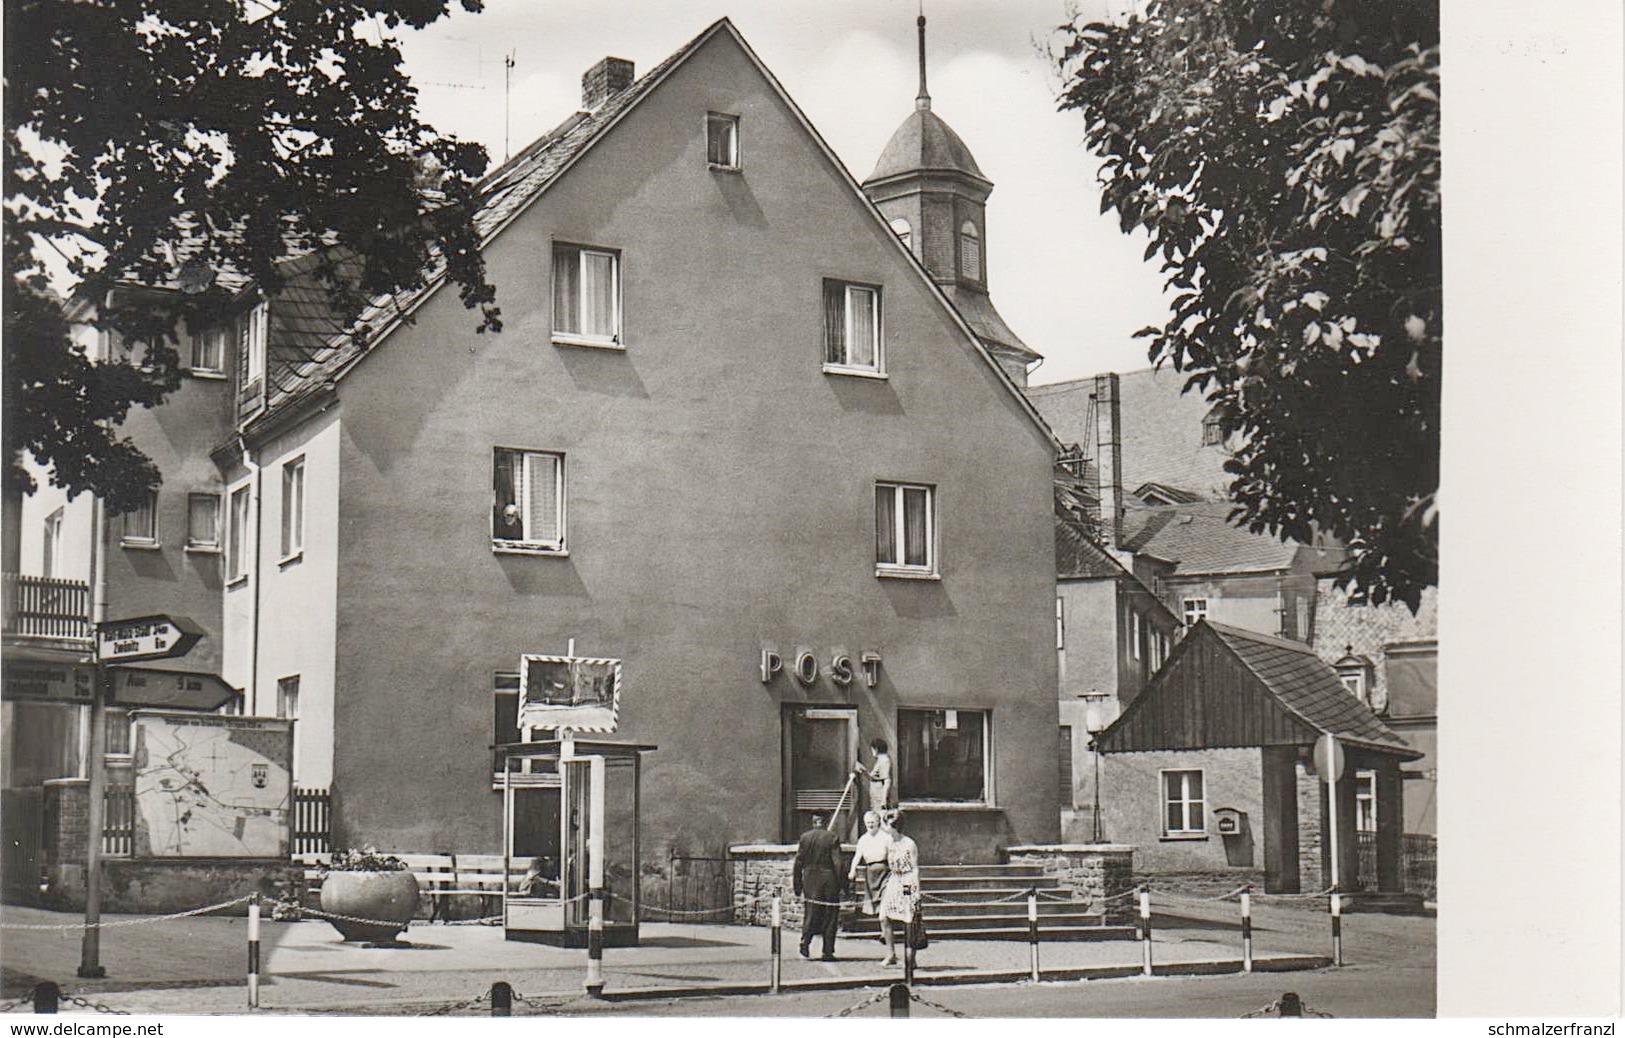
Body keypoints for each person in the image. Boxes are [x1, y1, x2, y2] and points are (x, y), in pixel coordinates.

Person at [792, 812, 843, 961]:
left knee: (811, 912)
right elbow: (838, 863)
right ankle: (827, 951)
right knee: (830, 915)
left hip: (810, 879)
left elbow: (798, 863)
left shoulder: (805, 838)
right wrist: (843, 884)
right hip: (828, 879)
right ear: (825, 822)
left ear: (814, 822)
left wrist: (797, 884)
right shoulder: (832, 837)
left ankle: (805, 941)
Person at [876, 809, 922, 967]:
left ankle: (911, 958)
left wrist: (914, 891)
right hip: (894, 880)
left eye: (887, 825)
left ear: (895, 826)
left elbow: (915, 868)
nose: (884, 828)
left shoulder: (909, 844)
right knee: (883, 916)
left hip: (907, 881)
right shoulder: (889, 843)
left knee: (909, 917)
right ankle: (891, 954)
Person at [847, 810, 891, 915]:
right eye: (868, 823)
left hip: (885, 872)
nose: (870, 825)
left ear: (878, 822)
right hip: (870, 873)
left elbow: (891, 854)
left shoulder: (886, 837)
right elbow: (857, 856)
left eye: (872, 822)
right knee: (872, 901)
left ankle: (884, 916)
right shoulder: (863, 839)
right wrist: (852, 870)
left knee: (885, 897)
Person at [854, 738, 894, 814]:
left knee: (880, 815)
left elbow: (887, 780)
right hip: (876, 794)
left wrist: (884, 799)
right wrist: (863, 770)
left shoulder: (884, 760)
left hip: (880, 794)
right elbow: (873, 777)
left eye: (872, 750)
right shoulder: (880, 760)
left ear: (876, 749)